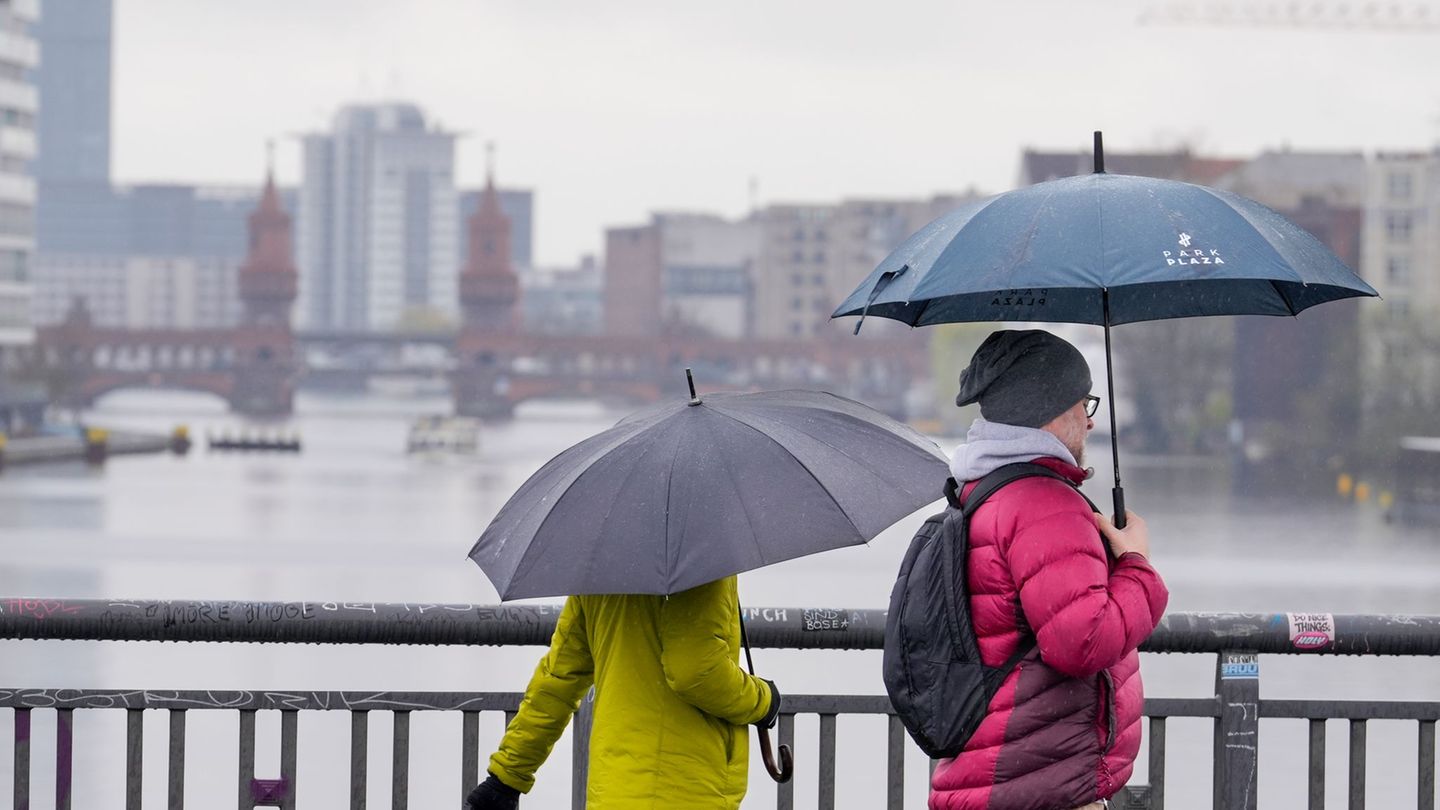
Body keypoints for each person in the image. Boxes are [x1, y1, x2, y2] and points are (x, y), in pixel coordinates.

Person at [930, 329, 1169, 810]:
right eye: (1086, 404)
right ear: (1058, 411)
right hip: (1040, 783)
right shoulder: (1045, 504)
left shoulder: (985, 490)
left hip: (1000, 770)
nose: (1091, 422)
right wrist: (1138, 566)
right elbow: (1081, 642)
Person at [464, 575, 781, 809]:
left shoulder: (600, 564)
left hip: (614, 790)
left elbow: (559, 678)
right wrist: (762, 700)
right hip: (684, 788)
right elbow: (695, 672)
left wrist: (507, 777)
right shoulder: (700, 558)